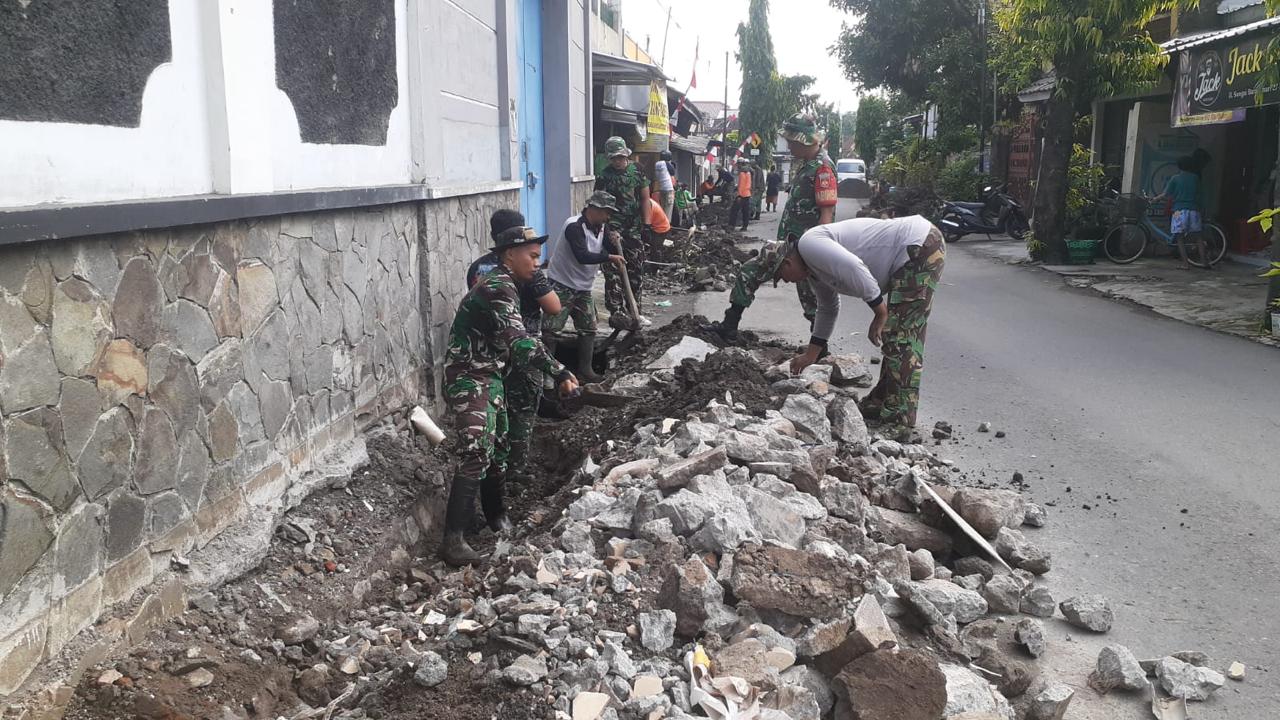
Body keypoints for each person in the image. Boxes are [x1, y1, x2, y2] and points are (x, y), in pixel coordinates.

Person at [440, 214, 579, 565]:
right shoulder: (497, 286)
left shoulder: (510, 284)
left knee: (498, 445)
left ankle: (497, 516)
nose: (538, 262)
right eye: (532, 256)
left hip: (491, 374)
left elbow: (525, 338)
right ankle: (453, 542)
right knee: (476, 449)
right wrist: (559, 371)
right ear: (508, 255)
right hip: (469, 375)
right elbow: (519, 342)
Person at [774, 215, 946, 442]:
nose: (786, 282)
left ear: (787, 262)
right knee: (897, 334)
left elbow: (855, 267)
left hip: (918, 247)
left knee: (901, 336)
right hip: (912, 250)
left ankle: (900, 418)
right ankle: (883, 399)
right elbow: (828, 308)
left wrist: (880, 312)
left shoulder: (809, 244)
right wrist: (811, 355)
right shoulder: (813, 272)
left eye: (782, 277)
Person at [712, 113, 838, 340]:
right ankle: (729, 324)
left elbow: (826, 216)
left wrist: (819, 255)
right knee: (750, 271)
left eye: (791, 142)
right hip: (787, 245)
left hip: (807, 249)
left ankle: (820, 351)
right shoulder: (808, 165)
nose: (789, 146)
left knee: (812, 301)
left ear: (803, 141)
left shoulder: (823, 169)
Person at [464, 211, 563, 487]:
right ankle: (514, 471)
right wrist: (561, 372)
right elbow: (553, 307)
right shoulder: (526, 270)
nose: (535, 259)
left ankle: (495, 468)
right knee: (521, 412)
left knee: (495, 415)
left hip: (489, 356)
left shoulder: (478, 268)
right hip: (523, 350)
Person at [543, 192, 626, 383]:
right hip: (562, 284)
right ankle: (547, 375)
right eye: (605, 212)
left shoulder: (601, 226)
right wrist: (609, 257)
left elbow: (606, 247)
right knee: (551, 330)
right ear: (593, 209)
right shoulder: (574, 226)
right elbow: (583, 255)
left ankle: (585, 371)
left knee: (588, 328)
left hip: (583, 287)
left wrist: (614, 243)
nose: (608, 217)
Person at [595, 137, 652, 329]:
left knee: (635, 272)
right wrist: (607, 229)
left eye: (620, 157)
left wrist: (647, 226)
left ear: (626, 154)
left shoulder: (637, 171)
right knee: (612, 274)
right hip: (611, 230)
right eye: (614, 158)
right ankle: (618, 314)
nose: (617, 161)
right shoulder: (604, 176)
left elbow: (645, 199)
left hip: (633, 230)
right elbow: (598, 206)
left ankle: (635, 311)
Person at [1151, 155, 1210, 269]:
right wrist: (1202, 208)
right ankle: (1204, 262)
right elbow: (1200, 195)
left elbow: (1166, 194)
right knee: (1198, 238)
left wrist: (1155, 199)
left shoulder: (1175, 178)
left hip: (1179, 211)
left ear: (1179, 166)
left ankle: (1185, 264)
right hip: (1194, 210)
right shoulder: (1195, 178)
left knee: (1179, 238)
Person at [653, 150, 676, 221]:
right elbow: (673, 171)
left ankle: (662, 225)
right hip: (669, 189)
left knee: (663, 208)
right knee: (668, 209)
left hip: (662, 189)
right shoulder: (665, 163)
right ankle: (667, 227)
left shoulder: (657, 164)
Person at [729, 160, 753, 231]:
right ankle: (745, 226)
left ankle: (731, 225)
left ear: (740, 164)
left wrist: (739, 195)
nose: (737, 166)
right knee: (745, 211)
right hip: (747, 194)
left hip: (742, 195)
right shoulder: (748, 172)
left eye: (738, 165)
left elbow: (741, 185)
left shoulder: (742, 173)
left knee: (734, 210)